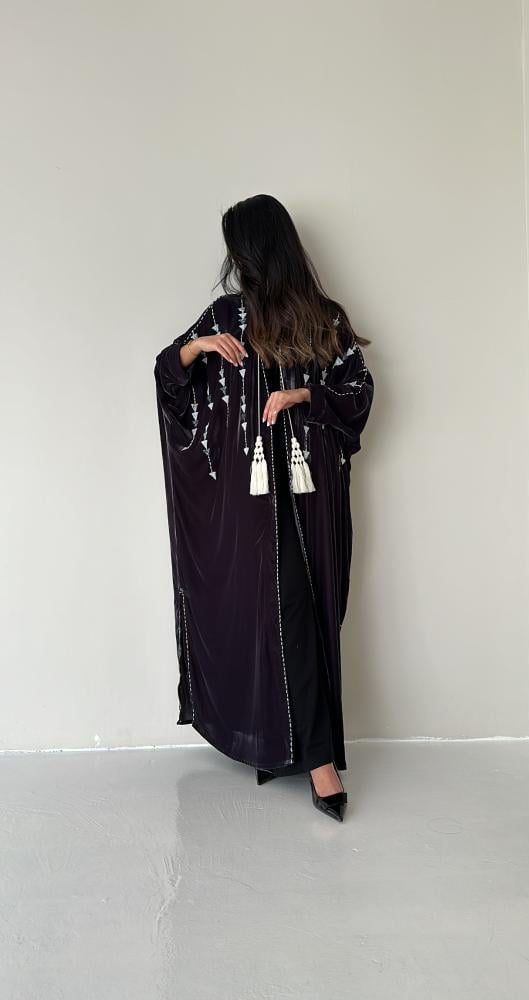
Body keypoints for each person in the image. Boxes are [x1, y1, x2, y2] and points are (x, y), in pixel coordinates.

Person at [154, 194, 374, 822]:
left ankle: (307, 753)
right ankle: (311, 759)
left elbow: (358, 392)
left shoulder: (323, 321)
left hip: (308, 501)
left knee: (304, 614)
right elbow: (169, 377)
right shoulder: (226, 317)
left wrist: (304, 395)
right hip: (247, 507)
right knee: (269, 621)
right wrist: (198, 349)